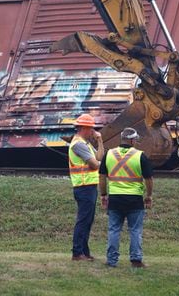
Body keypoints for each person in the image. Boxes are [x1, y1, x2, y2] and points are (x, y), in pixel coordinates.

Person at [99, 127, 154, 268]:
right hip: (134, 200)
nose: (136, 142)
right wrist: (149, 196)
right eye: (135, 139)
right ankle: (136, 260)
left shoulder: (109, 154)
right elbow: (149, 179)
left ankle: (111, 261)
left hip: (115, 199)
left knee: (114, 230)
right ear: (131, 140)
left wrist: (104, 195)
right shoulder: (140, 156)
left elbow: (102, 177)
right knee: (135, 230)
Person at [68, 113, 104, 261]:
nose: (93, 132)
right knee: (83, 220)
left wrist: (100, 141)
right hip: (84, 187)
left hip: (88, 186)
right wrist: (110, 167)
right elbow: (95, 164)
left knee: (87, 220)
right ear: (84, 128)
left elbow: (99, 157)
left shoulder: (86, 143)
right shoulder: (79, 144)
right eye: (91, 129)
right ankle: (77, 253)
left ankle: (84, 251)